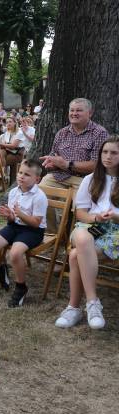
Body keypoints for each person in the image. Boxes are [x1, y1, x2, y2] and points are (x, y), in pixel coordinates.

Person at [55, 136, 119, 330]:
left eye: (114, 153)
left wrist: (115, 216)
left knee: (75, 256)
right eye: (105, 152)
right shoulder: (90, 179)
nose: (108, 157)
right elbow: (81, 213)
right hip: (93, 225)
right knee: (82, 237)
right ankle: (92, 302)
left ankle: (74, 307)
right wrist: (96, 218)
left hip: (116, 230)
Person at [39, 98, 109, 231]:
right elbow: (54, 156)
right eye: (72, 110)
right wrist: (52, 163)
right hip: (59, 176)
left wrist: (66, 164)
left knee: (80, 208)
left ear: (90, 113)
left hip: (85, 180)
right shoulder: (62, 133)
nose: (74, 113)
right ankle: (53, 234)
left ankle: (75, 239)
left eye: (79, 110)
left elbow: (97, 165)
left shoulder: (99, 133)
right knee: (38, 195)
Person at [0, 160, 48, 306]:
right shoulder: (14, 192)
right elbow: (13, 218)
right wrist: (9, 215)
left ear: (37, 179)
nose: (21, 176)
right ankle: (1, 269)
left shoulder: (39, 196)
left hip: (33, 231)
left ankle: (21, 287)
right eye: (20, 172)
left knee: (15, 254)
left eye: (27, 174)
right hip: (15, 226)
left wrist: (19, 214)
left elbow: (36, 223)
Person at [0, 117, 24, 184]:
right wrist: (4, 145)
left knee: (0, 161)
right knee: (2, 152)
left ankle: (2, 176)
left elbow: (13, 146)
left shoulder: (19, 132)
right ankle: (9, 180)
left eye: (10, 122)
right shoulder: (7, 132)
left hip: (17, 154)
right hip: (8, 152)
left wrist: (1, 144)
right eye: (7, 122)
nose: (8, 123)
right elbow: (6, 145)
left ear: (15, 123)